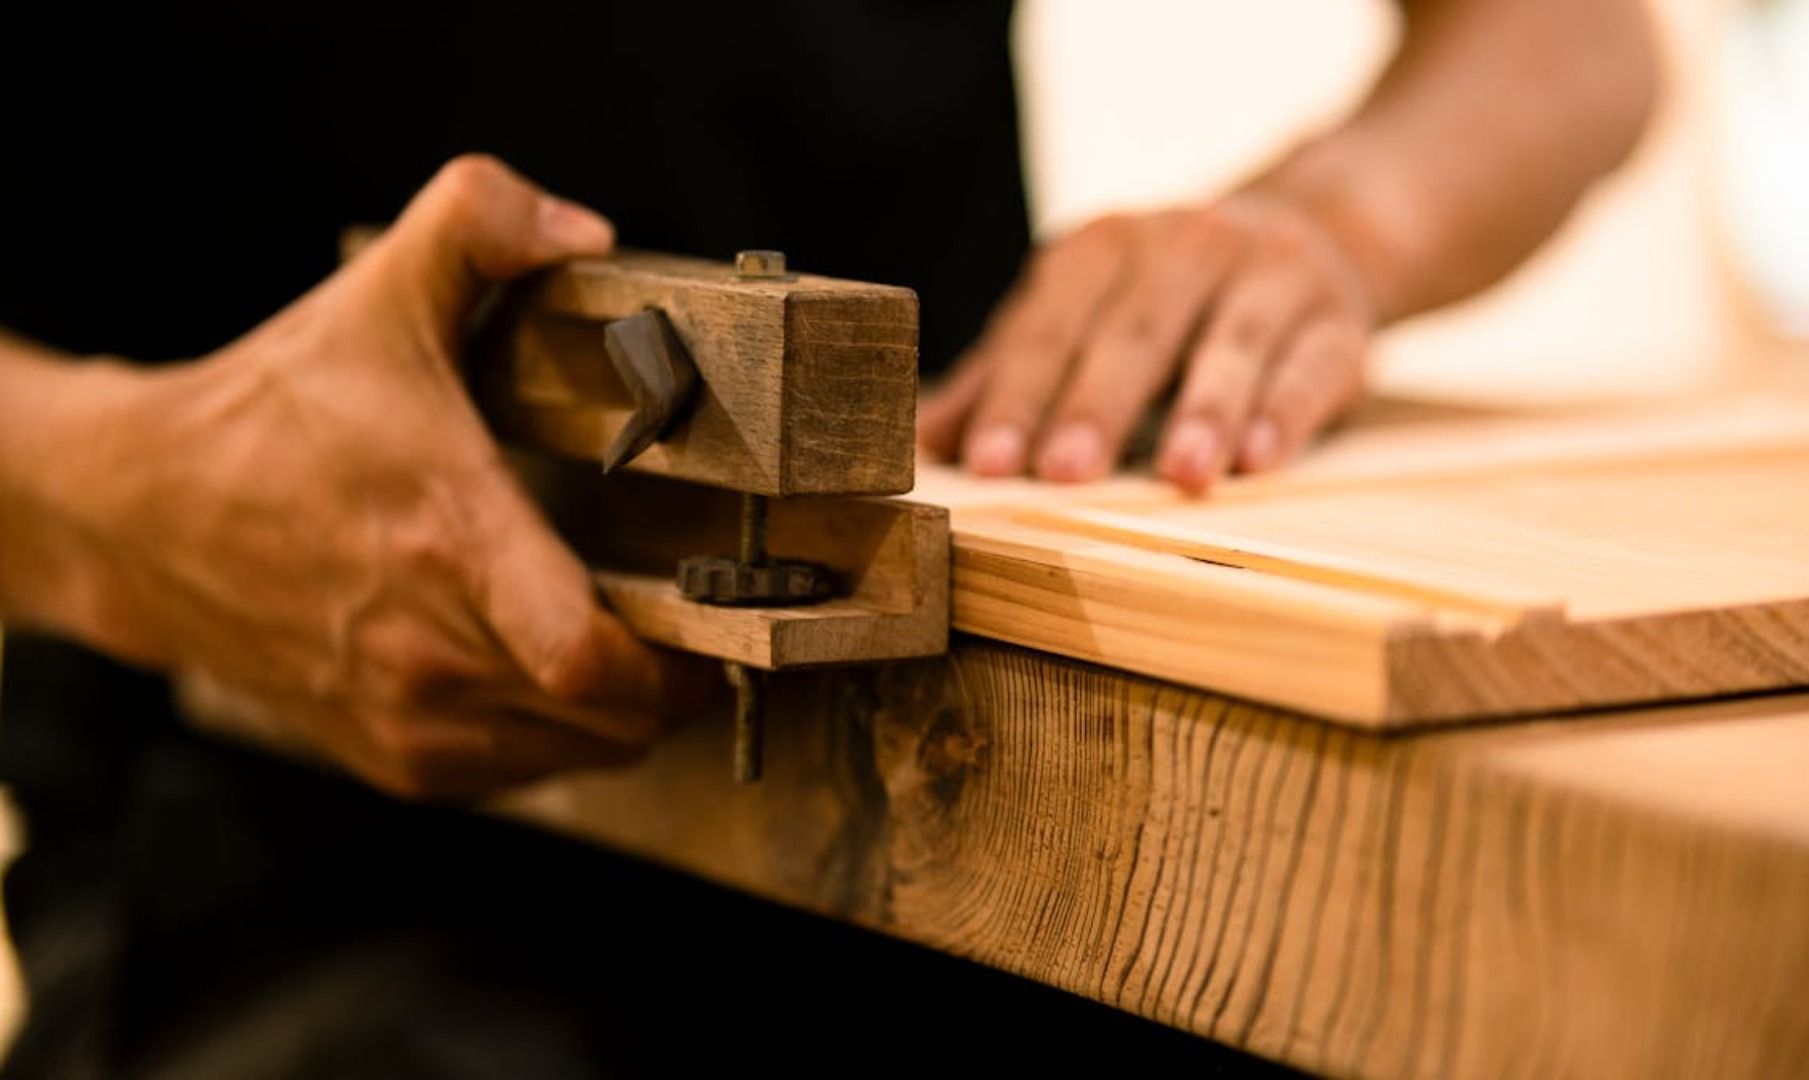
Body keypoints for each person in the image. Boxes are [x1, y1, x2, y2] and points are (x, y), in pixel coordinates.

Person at [0, 1, 1656, 1073]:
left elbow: (1572, 36)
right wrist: (105, 487)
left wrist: (1342, 221)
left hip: (997, 774)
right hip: (280, 833)